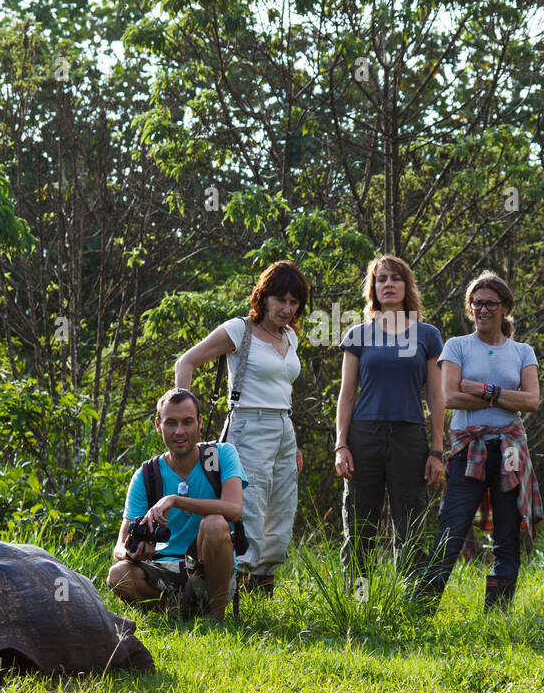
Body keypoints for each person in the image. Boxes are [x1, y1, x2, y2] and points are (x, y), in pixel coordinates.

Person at [175, 260, 308, 597]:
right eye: (280, 299)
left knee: (282, 509)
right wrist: (183, 416)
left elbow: (283, 388)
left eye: (294, 302)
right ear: (263, 297)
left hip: (283, 427)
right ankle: (225, 590)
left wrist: (292, 443)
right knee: (248, 508)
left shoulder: (290, 335)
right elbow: (186, 362)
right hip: (248, 426)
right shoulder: (240, 329)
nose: (286, 308)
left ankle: (262, 587)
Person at [414, 271, 542, 612]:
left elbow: (531, 401)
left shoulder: (522, 351)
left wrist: (484, 390)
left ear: (505, 308)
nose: (482, 309)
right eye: (476, 303)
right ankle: (421, 608)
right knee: (451, 528)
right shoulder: (457, 345)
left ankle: (496, 614)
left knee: (506, 533)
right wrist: (504, 399)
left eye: (490, 304)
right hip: (467, 448)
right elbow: (450, 397)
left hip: (510, 450)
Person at [335, 255, 445, 592]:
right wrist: (341, 445)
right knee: (359, 523)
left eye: (395, 278)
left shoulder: (427, 335)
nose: (388, 284)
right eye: (381, 279)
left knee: (409, 522)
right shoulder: (358, 334)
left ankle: (411, 600)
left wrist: (437, 450)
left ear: (406, 286)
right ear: (373, 288)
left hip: (409, 437)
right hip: (363, 437)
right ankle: (358, 602)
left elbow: (436, 397)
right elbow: (347, 395)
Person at [106, 388, 246, 621]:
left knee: (213, 524)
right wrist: (133, 554)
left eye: (187, 422)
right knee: (118, 574)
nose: (179, 431)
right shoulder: (147, 474)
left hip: (210, 571)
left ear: (199, 423)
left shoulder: (221, 455)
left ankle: (216, 619)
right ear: (158, 425)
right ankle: (177, 614)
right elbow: (119, 548)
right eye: (171, 423)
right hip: (164, 571)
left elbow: (234, 509)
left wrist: (175, 500)